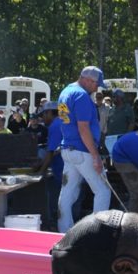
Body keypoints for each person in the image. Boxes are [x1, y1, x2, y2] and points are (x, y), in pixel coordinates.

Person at [56, 65, 113, 232]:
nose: (97, 88)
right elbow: (83, 129)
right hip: (83, 150)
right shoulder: (82, 96)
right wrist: (96, 156)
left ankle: (64, 232)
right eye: (96, 84)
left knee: (67, 194)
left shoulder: (65, 92)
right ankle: (96, 234)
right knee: (103, 191)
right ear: (87, 80)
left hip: (68, 149)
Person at [33, 100, 64, 231]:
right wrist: (41, 164)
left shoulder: (55, 126)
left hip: (62, 172)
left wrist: (40, 172)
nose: (42, 118)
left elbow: (51, 153)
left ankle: (55, 227)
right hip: (63, 169)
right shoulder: (61, 122)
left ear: (50, 112)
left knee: (57, 201)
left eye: (44, 115)